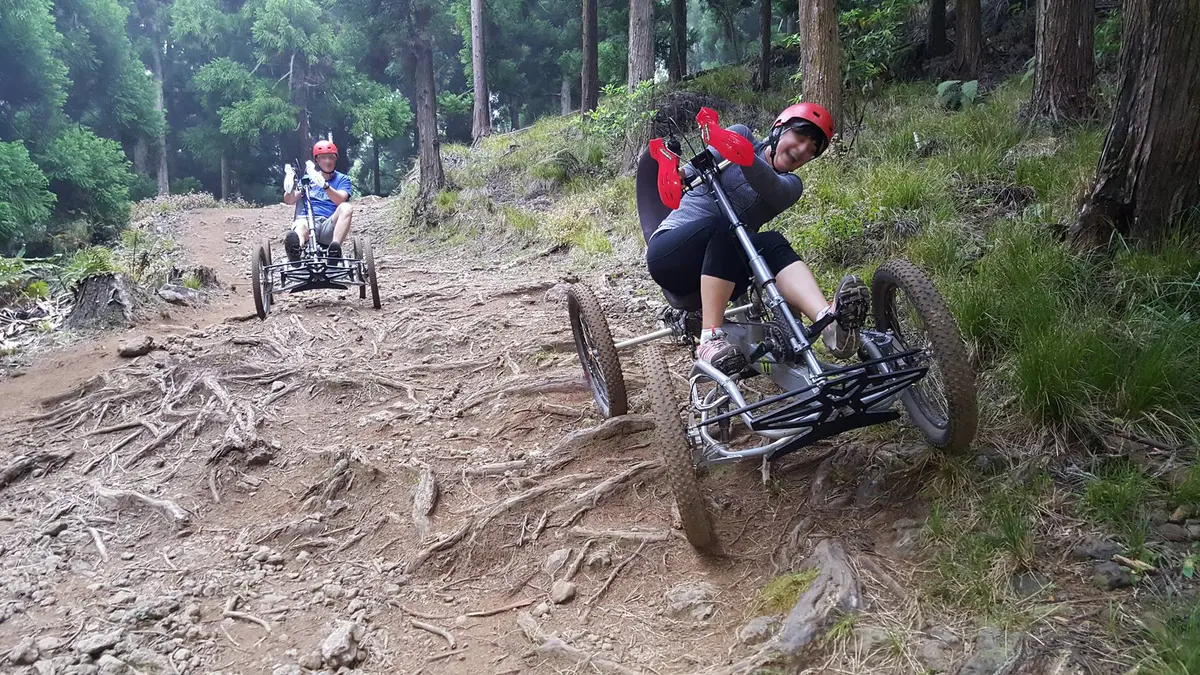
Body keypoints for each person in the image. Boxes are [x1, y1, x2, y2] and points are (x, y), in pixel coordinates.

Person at [644, 102, 870, 374]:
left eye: (812, 150)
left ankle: (830, 323)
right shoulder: (741, 135)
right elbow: (691, 173)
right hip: (671, 255)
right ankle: (710, 339)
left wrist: (742, 155)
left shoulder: (791, 186)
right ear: (778, 129)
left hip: (724, 268)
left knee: (771, 242)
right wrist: (677, 174)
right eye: (799, 138)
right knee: (723, 227)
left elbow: (768, 185)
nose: (801, 151)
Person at [283, 140, 354, 262]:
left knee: (346, 207)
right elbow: (289, 200)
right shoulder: (308, 179)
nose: (328, 161)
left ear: (335, 159)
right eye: (324, 158)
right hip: (307, 221)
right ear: (317, 160)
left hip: (329, 223)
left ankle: (334, 251)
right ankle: (295, 251)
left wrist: (324, 185)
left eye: (331, 158)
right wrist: (289, 186)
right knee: (301, 227)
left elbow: (340, 200)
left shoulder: (343, 179)